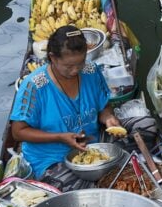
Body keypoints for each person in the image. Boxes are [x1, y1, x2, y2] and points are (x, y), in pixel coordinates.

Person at [10, 24, 120, 179]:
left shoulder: (91, 71)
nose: (75, 70)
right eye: (68, 66)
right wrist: (60, 137)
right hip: (52, 159)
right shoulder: (34, 86)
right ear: (53, 57)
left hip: (91, 148)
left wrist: (108, 118)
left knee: (144, 126)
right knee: (78, 189)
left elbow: (104, 106)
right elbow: (17, 132)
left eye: (80, 63)